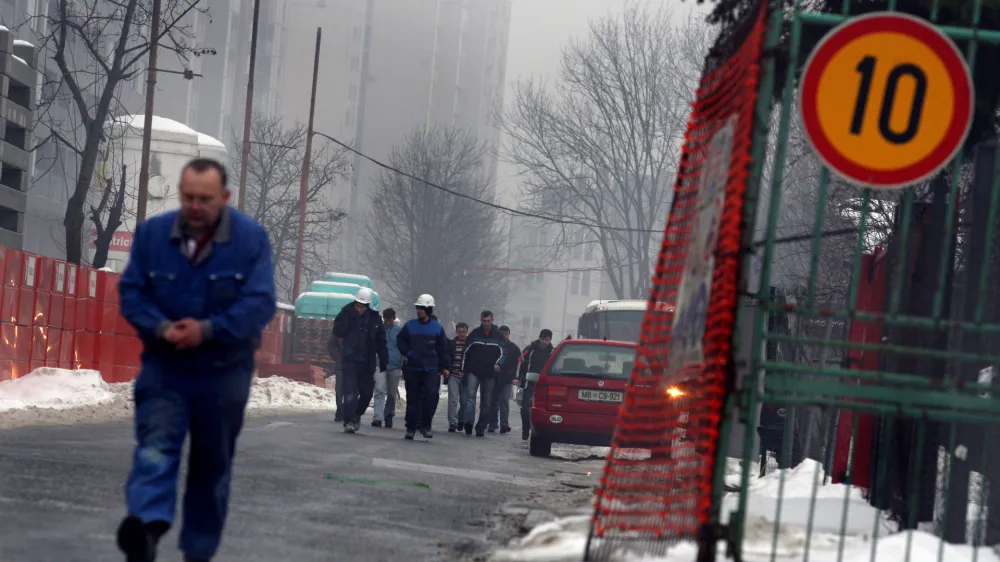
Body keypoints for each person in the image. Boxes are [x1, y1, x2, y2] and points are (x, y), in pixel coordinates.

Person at [116, 158, 277, 562]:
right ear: (179, 193)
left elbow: (259, 303)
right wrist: (161, 328)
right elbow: (133, 293)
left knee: (211, 464)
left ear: (224, 197)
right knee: (155, 446)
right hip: (165, 368)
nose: (195, 206)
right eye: (188, 197)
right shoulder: (153, 235)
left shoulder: (250, 240)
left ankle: (198, 551)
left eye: (205, 199)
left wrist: (207, 330)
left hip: (223, 374)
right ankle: (147, 529)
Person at [332, 287, 388, 433]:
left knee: (367, 392)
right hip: (350, 360)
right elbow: (337, 330)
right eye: (357, 305)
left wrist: (383, 359)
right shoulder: (346, 313)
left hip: (367, 361)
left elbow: (381, 340)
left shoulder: (375, 318)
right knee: (349, 392)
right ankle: (348, 421)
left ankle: (357, 414)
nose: (358, 308)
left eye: (361, 306)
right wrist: (348, 318)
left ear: (367, 306)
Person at [396, 294, 450, 439]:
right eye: (417, 308)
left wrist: (445, 367)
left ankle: (426, 426)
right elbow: (400, 340)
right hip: (413, 368)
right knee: (413, 399)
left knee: (431, 397)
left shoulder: (437, 328)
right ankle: (411, 428)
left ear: (428, 309)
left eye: (420, 308)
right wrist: (408, 352)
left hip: (431, 370)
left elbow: (443, 349)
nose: (418, 310)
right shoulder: (410, 325)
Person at [461, 310, 507, 437]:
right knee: (470, 399)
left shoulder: (498, 336)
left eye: (488, 321)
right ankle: (468, 424)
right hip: (473, 371)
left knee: (486, 402)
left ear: (492, 320)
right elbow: (466, 352)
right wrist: (463, 369)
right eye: (484, 321)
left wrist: (498, 363)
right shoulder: (475, 334)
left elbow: (504, 353)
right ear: (481, 320)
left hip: (489, 373)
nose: (486, 323)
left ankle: (481, 427)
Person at [519, 329, 554, 441]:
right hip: (529, 383)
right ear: (539, 338)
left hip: (544, 386)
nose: (545, 341)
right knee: (525, 409)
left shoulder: (553, 352)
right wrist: (518, 379)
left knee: (541, 411)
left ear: (550, 340)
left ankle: (539, 433)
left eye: (547, 339)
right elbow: (521, 363)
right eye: (543, 339)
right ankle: (525, 429)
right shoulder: (530, 349)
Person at [373, 308, 403, 428]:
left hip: (395, 365)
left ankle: (389, 414)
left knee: (391, 392)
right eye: (386, 318)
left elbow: (404, 346)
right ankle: (378, 417)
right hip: (380, 363)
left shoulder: (399, 331)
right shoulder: (378, 330)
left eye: (390, 318)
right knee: (379, 389)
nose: (388, 320)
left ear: (393, 318)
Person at [490, 325, 521, 434]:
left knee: (503, 402)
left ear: (508, 334)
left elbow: (519, 363)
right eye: (501, 334)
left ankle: (504, 424)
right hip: (494, 377)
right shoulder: (494, 346)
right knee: (493, 402)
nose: (503, 336)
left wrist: (515, 376)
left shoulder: (514, 348)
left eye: (505, 334)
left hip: (507, 378)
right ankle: (493, 424)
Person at [446, 322, 470, 432]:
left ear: (467, 332)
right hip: (453, 375)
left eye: (464, 332)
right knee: (453, 400)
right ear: (456, 332)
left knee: (465, 401)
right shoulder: (451, 344)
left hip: (466, 377)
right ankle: (453, 423)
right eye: (460, 332)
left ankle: (461, 419)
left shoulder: (471, 345)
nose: (462, 334)